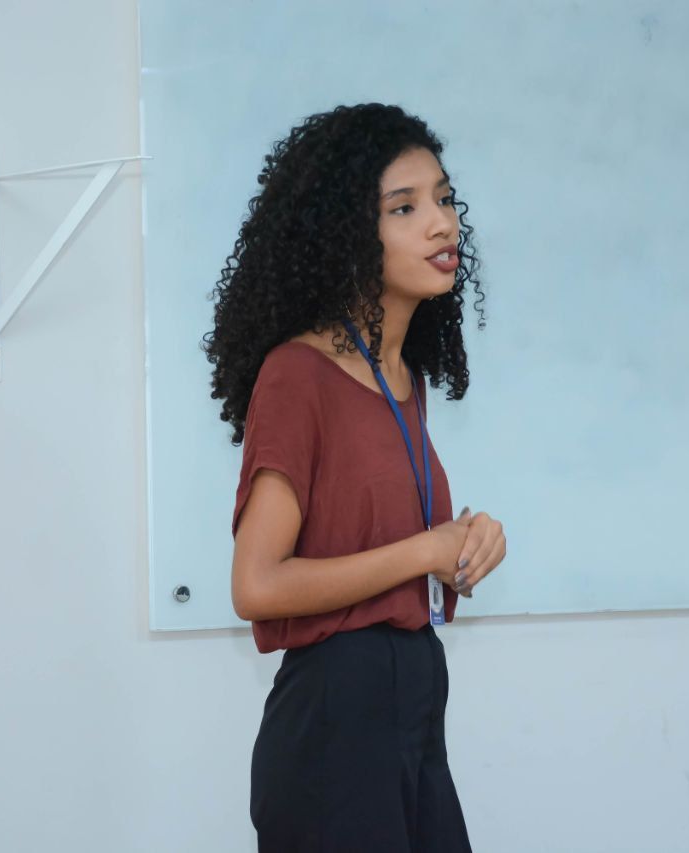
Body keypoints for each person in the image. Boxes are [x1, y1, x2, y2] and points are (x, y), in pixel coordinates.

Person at [202, 103, 508, 853]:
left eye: (442, 198)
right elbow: (258, 586)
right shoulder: (297, 375)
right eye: (403, 208)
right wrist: (423, 551)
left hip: (413, 726)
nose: (439, 224)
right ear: (345, 234)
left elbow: (400, 551)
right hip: (334, 736)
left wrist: (464, 549)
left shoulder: (405, 380)